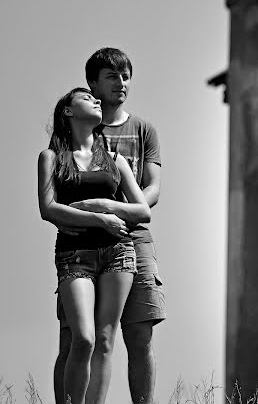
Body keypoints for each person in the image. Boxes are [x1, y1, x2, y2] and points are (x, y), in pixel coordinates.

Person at [53, 48, 166, 404]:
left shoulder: (143, 129)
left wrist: (113, 208)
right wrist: (94, 216)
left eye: (126, 76)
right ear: (91, 84)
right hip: (82, 242)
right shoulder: (78, 130)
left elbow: (153, 190)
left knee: (138, 335)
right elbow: (60, 193)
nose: (122, 83)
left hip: (135, 241)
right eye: (112, 77)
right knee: (74, 338)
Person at [38, 87, 151, 404]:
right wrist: (100, 220)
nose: (97, 101)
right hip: (75, 257)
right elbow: (48, 208)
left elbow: (142, 211)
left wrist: (103, 205)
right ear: (68, 112)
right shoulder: (52, 158)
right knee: (83, 339)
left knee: (104, 340)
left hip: (119, 253)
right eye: (86, 98)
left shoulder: (117, 160)